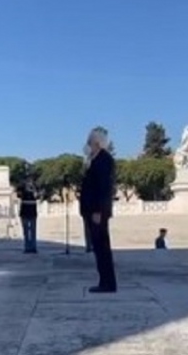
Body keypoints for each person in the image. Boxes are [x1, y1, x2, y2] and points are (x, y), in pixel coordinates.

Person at [79, 126, 117, 294]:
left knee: (102, 247)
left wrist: (98, 211)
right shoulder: (96, 159)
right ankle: (104, 281)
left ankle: (107, 283)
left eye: (89, 142)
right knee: (99, 247)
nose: (87, 145)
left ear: (96, 143)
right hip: (93, 211)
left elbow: (103, 188)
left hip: (97, 212)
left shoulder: (103, 160)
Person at [17, 178, 38, 253]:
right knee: (26, 231)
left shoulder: (35, 186)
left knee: (32, 231)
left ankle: (33, 247)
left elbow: (38, 196)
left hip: (32, 211)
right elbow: (18, 195)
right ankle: (27, 247)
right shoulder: (22, 186)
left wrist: (34, 189)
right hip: (24, 211)